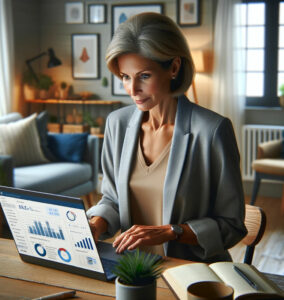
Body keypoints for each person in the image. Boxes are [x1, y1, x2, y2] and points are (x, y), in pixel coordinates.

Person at [87, 12, 247, 263]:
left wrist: (171, 231)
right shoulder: (116, 124)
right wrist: (97, 222)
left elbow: (232, 225)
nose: (132, 90)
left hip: (191, 272)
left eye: (144, 76)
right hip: (132, 270)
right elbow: (112, 199)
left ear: (173, 67)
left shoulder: (213, 131)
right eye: (126, 77)